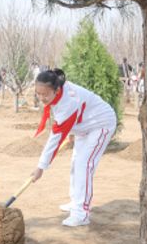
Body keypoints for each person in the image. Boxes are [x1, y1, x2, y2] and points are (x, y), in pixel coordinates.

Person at [30, 69, 117, 227]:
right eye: (38, 93)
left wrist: (41, 167)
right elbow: (67, 121)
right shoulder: (60, 92)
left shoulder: (68, 101)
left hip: (101, 124)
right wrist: (71, 130)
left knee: (84, 165)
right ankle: (76, 201)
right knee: (76, 163)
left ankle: (81, 213)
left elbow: (55, 139)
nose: (41, 98)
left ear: (56, 91)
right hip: (84, 126)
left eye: (45, 95)